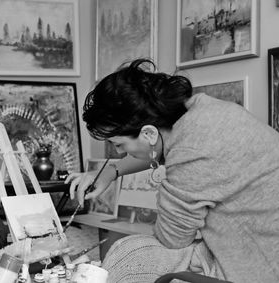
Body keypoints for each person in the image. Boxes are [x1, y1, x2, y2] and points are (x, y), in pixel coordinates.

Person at [65, 58, 279, 283]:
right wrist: (111, 172)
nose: (119, 153)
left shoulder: (193, 148)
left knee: (132, 254)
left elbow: (172, 238)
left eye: (119, 145)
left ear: (148, 133)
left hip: (262, 261)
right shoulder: (198, 112)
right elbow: (160, 149)